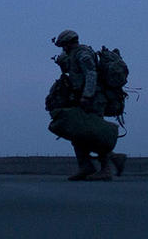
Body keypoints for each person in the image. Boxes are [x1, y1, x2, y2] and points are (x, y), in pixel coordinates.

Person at [48, 29, 123, 181]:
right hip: (82, 98)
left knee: (94, 133)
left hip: (94, 99)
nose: (63, 48)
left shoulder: (83, 54)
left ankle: (106, 168)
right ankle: (86, 166)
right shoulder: (73, 55)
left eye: (64, 45)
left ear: (70, 42)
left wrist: (87, 95)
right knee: (78, 132)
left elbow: (91, 74)